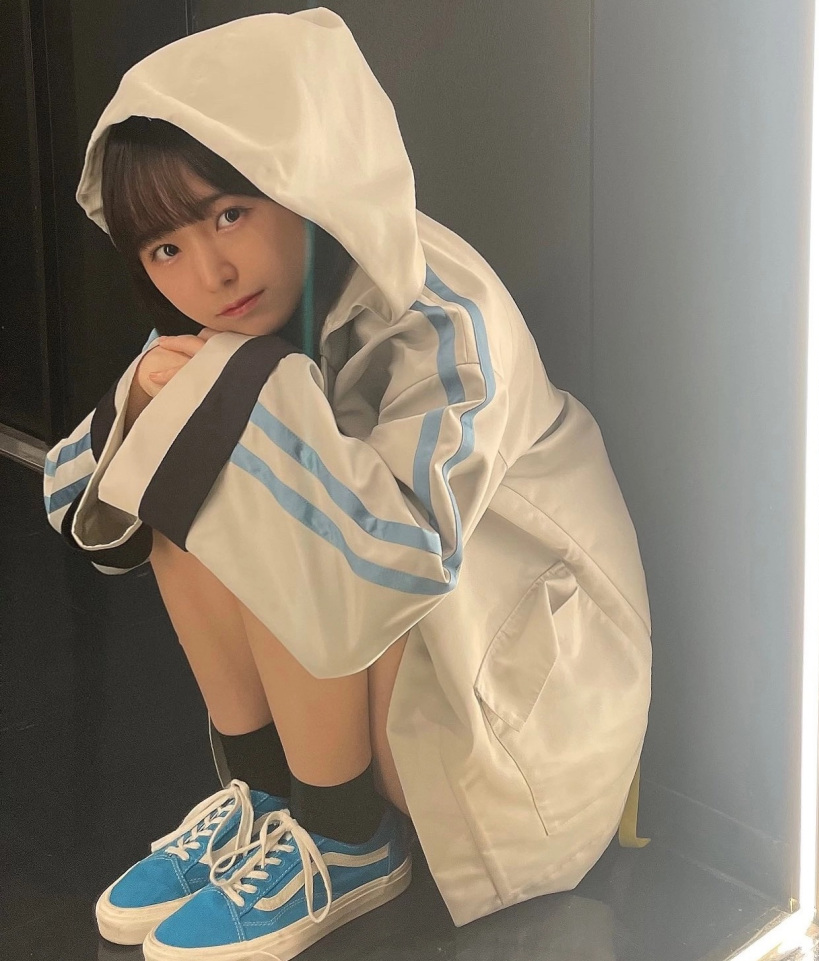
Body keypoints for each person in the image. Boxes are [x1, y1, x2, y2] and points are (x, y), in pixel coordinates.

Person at [42, 8, 653, 961]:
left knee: (234, 431)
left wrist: (235, 403)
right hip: (410, 663)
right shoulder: (253, 312)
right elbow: (88, 510)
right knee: (190, 428)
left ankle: (343, 837)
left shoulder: (442, 312)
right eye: (165, 250)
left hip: (532, 709)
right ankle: (270, 798)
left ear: (303, 177)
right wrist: (148, 398)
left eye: (229, 213)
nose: (210, 271)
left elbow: (392, 559)